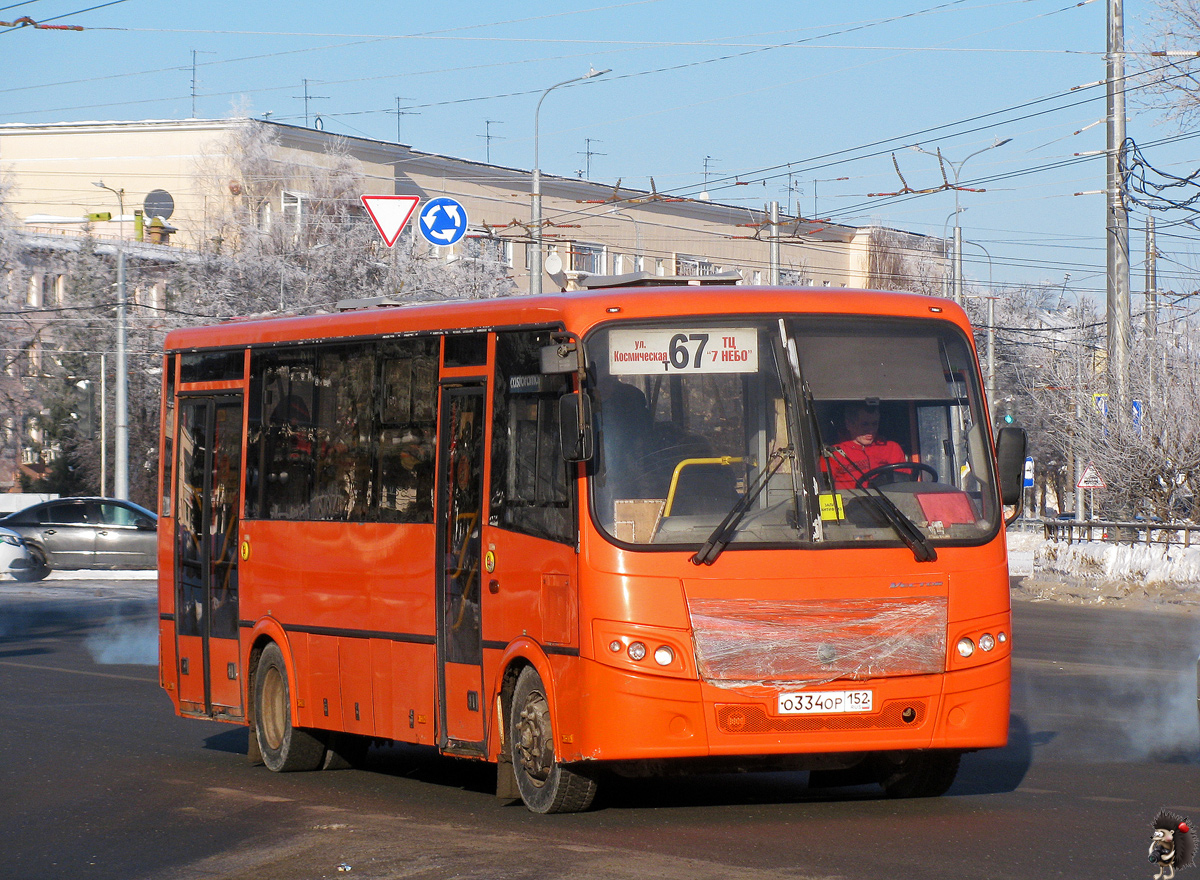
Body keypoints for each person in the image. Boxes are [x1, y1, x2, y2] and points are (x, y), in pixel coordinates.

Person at [827, 403, 905, 489]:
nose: (871, 430)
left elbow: (905, 483)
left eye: (874, 424)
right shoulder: (833, 454)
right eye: (865, 424)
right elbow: (826, 489)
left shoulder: (892, 448)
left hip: (888, 500)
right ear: (849, 424)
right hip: (852, 501)